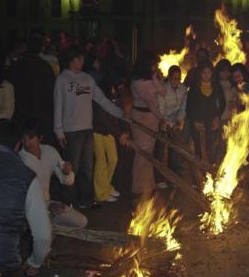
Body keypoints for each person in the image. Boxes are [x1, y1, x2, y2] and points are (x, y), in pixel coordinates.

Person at [0, 119, 52, 277]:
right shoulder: (26, 177)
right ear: (17, 145)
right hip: (0, 271)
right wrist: (35, 262)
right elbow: (42, 235)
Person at [53, 45, 125, 209]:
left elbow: (102, 99)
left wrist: (119, 113)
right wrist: (58, 131)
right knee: (73, 168)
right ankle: (70, 200)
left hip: (87, 129)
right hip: (71, 130)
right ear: (72, 60)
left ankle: (87, 199)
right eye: (80, 58)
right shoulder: (62, 79)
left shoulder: (87, 78)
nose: (83, 61)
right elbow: (58, 105)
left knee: (87, 167)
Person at [19, 119, 87, 229]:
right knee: (44, 235)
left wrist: (66, 172)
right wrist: (48, 206)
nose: (26, 143)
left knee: (81, 221)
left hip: (48, 205)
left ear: (40, 138)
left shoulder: (49, 152)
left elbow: (68, 181)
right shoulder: (20, 160)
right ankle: (45, 231)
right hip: (29, 210)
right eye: (23, 138)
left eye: (31, 138)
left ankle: (50, 227)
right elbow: (23, 197)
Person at [130, 50, 166, 196]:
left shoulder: (149, 79)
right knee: (142, 153)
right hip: (142, 117)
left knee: (148, 152)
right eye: (153, 65)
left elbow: (163, 92)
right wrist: (163, 118)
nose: (155, 67)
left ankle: (148, 184)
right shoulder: (139, 82)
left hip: (151, 118)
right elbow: (152, 104)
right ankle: (139, 187)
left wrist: (156, 78)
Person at [8, 35, 56, 146]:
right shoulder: (45, 67)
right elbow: (51, 93)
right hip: (42, 118)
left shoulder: (16, 66)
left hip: (21, 117)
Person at [93, 71, 132, 203]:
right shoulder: (102, 94)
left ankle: (106, 187)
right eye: (119, 84)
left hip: (110, 131)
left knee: (113, 159)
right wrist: (119, 133)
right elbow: (103, 118)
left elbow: (121, 114)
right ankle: (100, 193)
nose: (121, 87)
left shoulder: (116, 93)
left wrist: (125, 131)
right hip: (98, 130)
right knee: (101, 161)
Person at [186, 60, 225, 185]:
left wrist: (217, 117)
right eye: (204, 72)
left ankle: (209, 178)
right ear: (200, 73)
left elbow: (222, 103)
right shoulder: (194, 87)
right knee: (198, 150)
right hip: (198, 123)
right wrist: (194, 121)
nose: (206, 74)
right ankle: (198, 179)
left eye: (209, 72)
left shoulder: (216, 85)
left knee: (211, 148)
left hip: (211, 122)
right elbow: (189, 107)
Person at [156, 65, 188, 183]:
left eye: (178, 78)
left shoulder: (183, 89)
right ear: (169, 77)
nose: (176, 81)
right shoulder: (163, 89)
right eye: (174, 78)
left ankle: (173, 178)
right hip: (163, 121)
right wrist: (167, 123)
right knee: (160, 150)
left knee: (174, 151)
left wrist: (179, 121)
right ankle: (159, 179)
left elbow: (183, 107)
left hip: (176, 122)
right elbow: (160, 109)